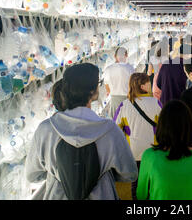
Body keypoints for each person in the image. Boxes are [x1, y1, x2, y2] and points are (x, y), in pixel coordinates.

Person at [25, 63, 138, 200]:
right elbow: (129, 173)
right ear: (92, 91)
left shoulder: (45, 130)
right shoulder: (110, 130)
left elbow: (32, 175)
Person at [114, 73, 162, 200]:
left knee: (136, 182)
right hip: (153, 151)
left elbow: (116, 128)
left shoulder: (124, 105)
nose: (150, 84)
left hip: (133, 152)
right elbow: (165, 125)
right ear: (142, 86)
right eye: (148, 82)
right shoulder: (156, 103)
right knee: (152, 181)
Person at [103, 47, 135, 119]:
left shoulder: (108, 69)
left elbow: (107, 87)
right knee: (128, 122)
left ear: (114, 56)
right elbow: (133, 86)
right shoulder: (130, 68)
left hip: (114, 99)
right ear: (126, 56)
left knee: (115, 122)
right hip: (127, 99)